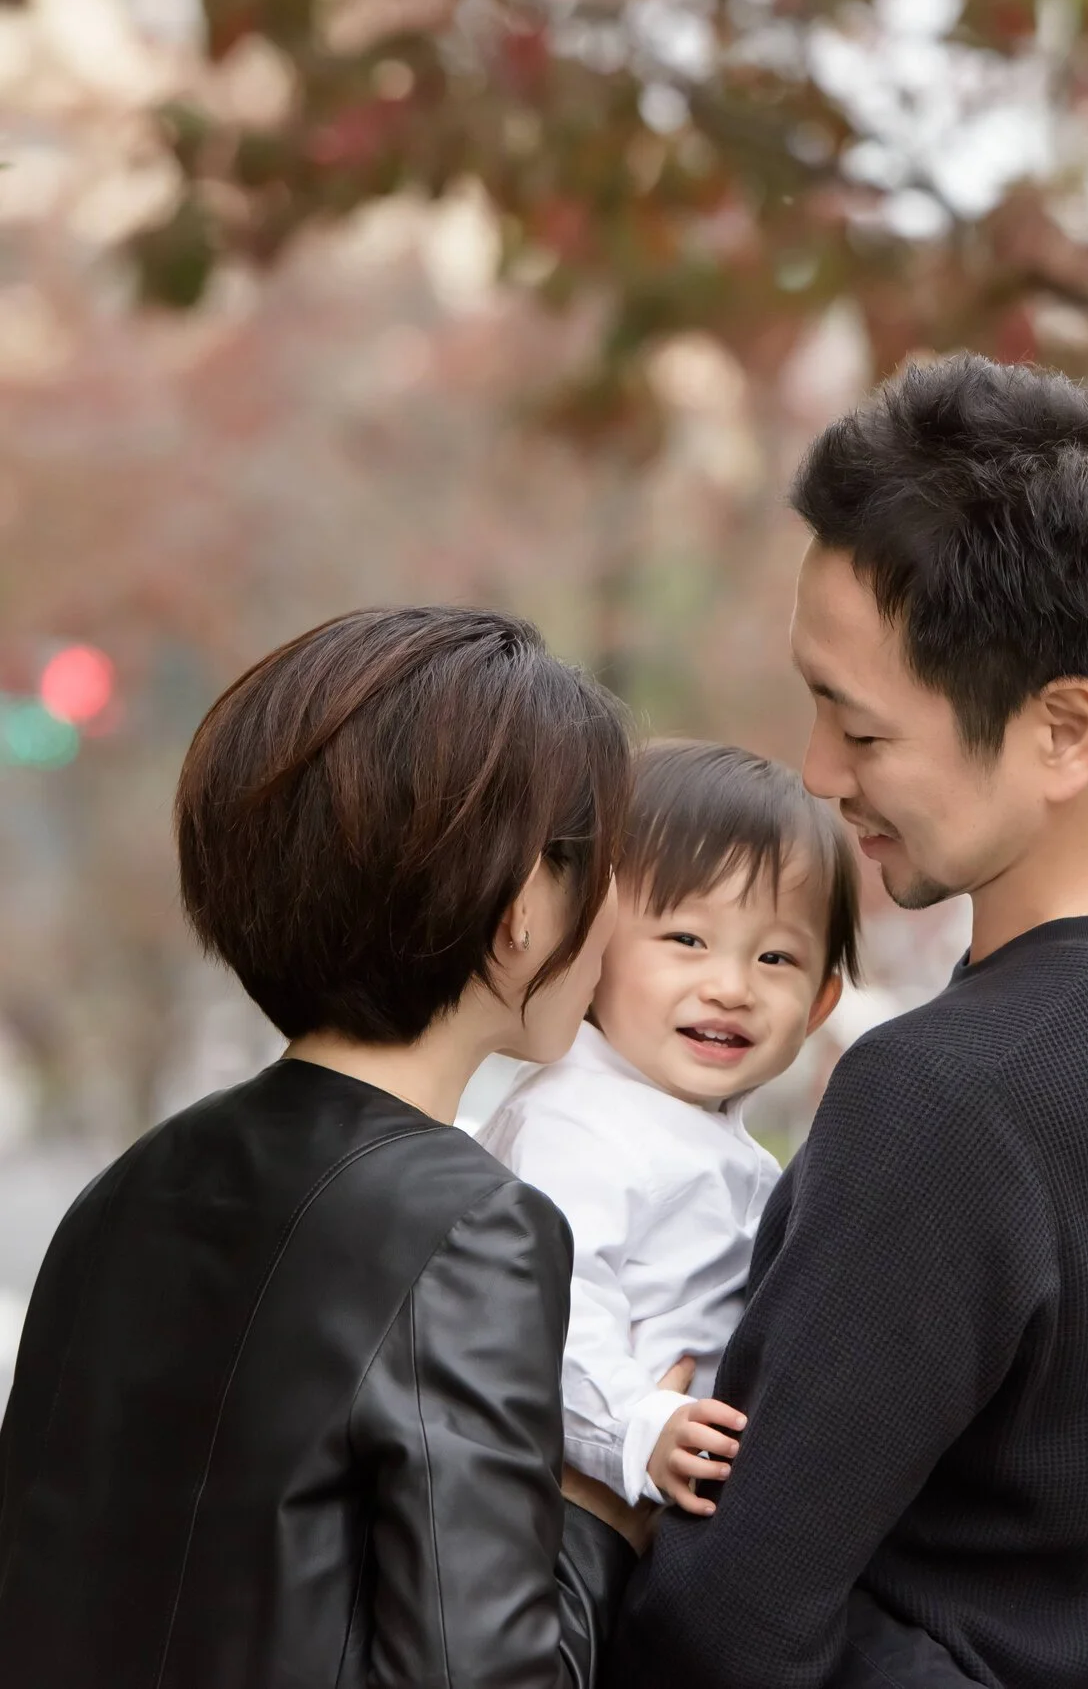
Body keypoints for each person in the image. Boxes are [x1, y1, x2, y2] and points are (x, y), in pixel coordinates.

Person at [612, 355, 1088, 1689]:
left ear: (1064, 730)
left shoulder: (945, 1096)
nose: (819, 770)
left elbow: (719, 1631)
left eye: (862, 730)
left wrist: (605, 1468)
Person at [0, 605, 630, 1688]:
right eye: (610, 862)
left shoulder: (127, 1189)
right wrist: (599, 1526)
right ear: (527, 898)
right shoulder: (470, 1229)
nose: (618, 907)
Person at [477, 739, 861, 1672]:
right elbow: (540, 1317)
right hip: (560, 1536)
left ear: (820, 1003)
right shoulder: (576, 1118)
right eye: (687, 940)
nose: (729, 986)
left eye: (776, 956)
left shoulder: (730, 1149)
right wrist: (638, 1428)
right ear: (594, 948)